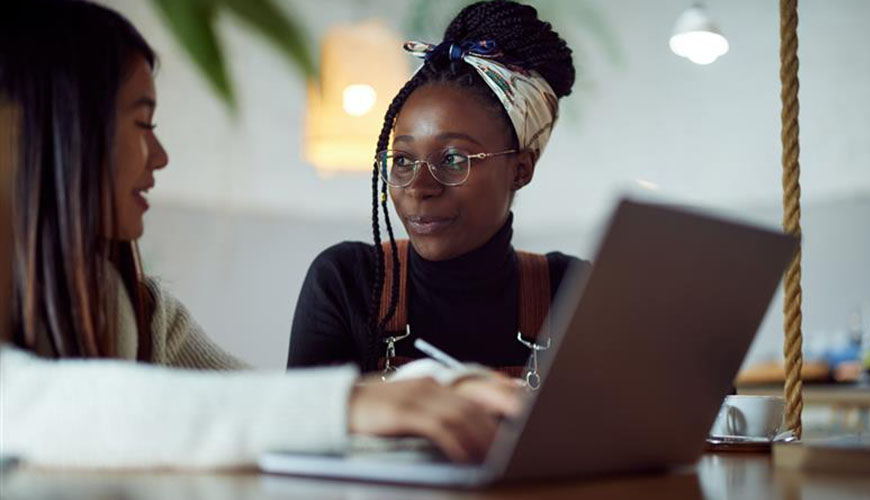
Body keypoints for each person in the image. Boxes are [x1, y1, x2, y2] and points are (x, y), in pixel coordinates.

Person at [0, 0, 520, 468]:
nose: (160, 157)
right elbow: (37, 405)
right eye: (142, 124)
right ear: (52, 129)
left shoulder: (139, 312)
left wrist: (435, 391)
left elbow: (258, 405)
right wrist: (349, 404)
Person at [288, 0, 587, 381]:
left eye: (453, 159)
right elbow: (306, 431)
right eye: (403, 160)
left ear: (521, 168)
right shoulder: (348, 283)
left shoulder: (569, 293)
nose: (419, 187)